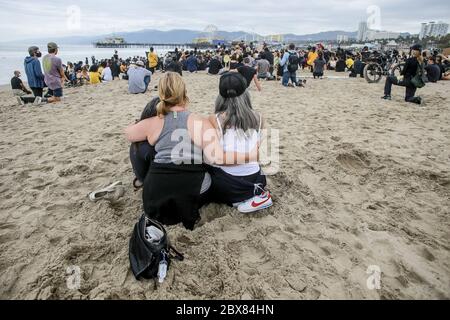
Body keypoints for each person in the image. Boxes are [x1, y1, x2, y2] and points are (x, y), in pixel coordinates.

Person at [124, 72, 258, 229]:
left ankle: (143, 179)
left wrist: (142, 125)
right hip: (193, 194)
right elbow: (218, 158)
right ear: (184, 93)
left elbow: (128, 133)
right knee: (207, 174)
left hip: (154, 197)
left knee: (140, 146)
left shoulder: (153, 122)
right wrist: (251, 155)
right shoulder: (201, 121)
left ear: (161, 94)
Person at [207, 72, 272, 213]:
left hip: (229, 186)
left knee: (204, 164)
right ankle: (253, 198)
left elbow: (217, 159)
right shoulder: (259, 117)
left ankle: (239, 200)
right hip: (256, 181)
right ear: (245, 94)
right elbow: (262, 153)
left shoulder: (215, 119)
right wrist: (252, 155)